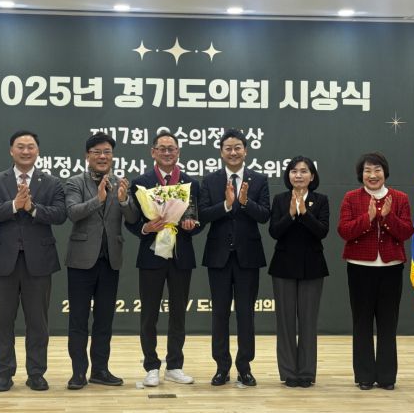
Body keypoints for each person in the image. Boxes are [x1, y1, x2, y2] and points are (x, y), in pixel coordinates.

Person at [0, 130, 66, 392]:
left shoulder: (51, 182)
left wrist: (32, 208)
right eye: (20, 146)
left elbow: (60, 214)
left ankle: (36, 373)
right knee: (2, 322)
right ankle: (4, 373)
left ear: (37, 151)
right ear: (11, 150)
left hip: (38, 261)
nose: (25, 151)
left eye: (30, 147)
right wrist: (14, 205)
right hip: (2, 261)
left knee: (38, 322)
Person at [126, 130, 204, 387]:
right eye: (162, 148)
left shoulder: (191, 183)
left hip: (181, 255)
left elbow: (198, 218)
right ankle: (151, 366)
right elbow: (131, 221)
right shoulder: (141, 182)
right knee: (149, 314)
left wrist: (192, 225)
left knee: (179, 313)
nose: (167, 153)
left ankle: (175, 365)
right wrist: (145, 228)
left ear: (178, 152)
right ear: (153, 152)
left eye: (172, 149)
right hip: (151, 255)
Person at [64, 132, 139, 389]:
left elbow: (132, 219)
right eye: (97, 152)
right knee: (78, 319)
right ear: (87, 156)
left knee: (104, 319)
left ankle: (100, 370)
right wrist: (99, 199)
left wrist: (124, 200)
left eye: (107, 152)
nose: (103, 156)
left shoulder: (120, 183)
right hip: (81, 260)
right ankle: (78, 372)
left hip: (110, 260)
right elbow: (73, 213)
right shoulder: (75, 182)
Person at [199, 128, 270, 386]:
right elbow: (203, 214)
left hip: (248, 257)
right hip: (218, 256)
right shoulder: (210, 180)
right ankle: (221, 367)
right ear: (221, 152)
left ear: (245, 151)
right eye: (228, 148)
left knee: (245, 314)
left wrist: (245, 202)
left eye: (237, 147)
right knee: (219, 314)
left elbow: (265, 215)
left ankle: (244, 367)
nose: (233, 152)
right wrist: (227, 205)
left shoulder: (259, 179)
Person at [337, 152, 414, 391]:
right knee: (361, 323)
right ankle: (364, 376)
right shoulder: (351, 198)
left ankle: (387, 377)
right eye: (367, 171)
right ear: (361, 174)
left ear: (385, 172)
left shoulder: (399, 198)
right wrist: (368, 218)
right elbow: (344, 231)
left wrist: (388, 217)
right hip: (360, 268)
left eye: (377, 170)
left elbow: (407, 231)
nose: (372, 175)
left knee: (388, 324)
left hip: (391, 268)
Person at [268, 156, 329, 388]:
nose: (299, 175)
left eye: (304, 171)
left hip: (312, 267)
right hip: (283, 266)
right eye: (294, 171)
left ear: (312, 176)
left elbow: (322, 231)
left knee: (308, 322)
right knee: (285, 323)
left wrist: (305, 212)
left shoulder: (321, 200)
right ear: (288, 175)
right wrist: (291, 214)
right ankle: (288, 373)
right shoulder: (280, 199)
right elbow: (274, 231)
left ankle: (306, 373)